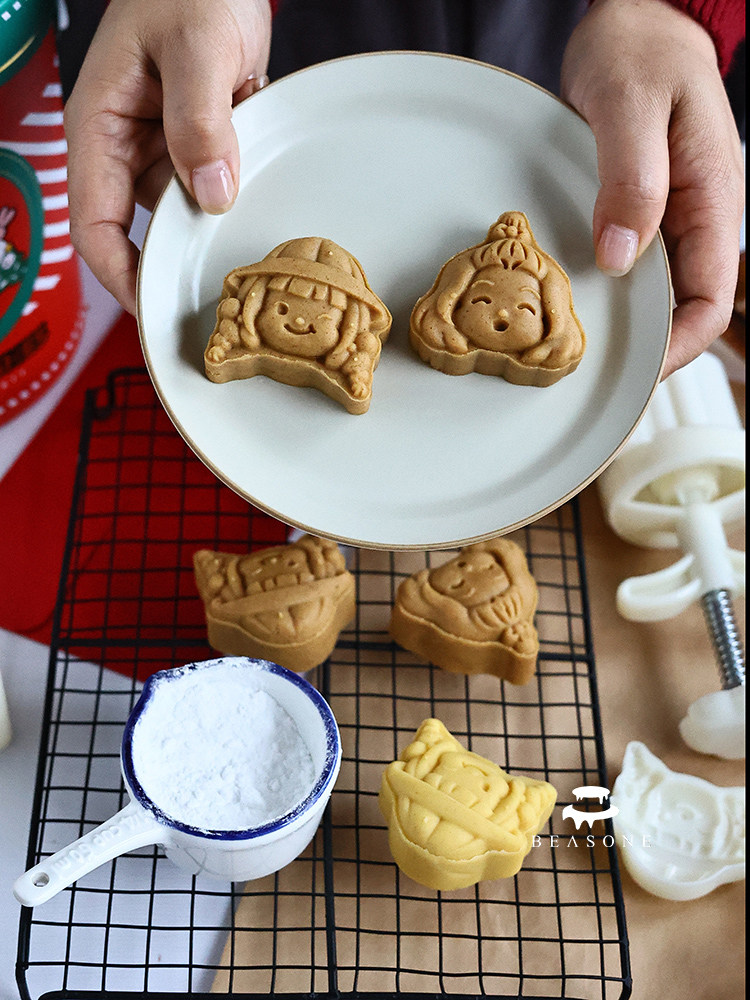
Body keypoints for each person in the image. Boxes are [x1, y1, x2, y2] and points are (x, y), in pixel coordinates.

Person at [60, 0, 745, 378]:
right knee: (213, 153)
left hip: (569, 65)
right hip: (276, 68)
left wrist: (670, 15)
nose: (300, 324)